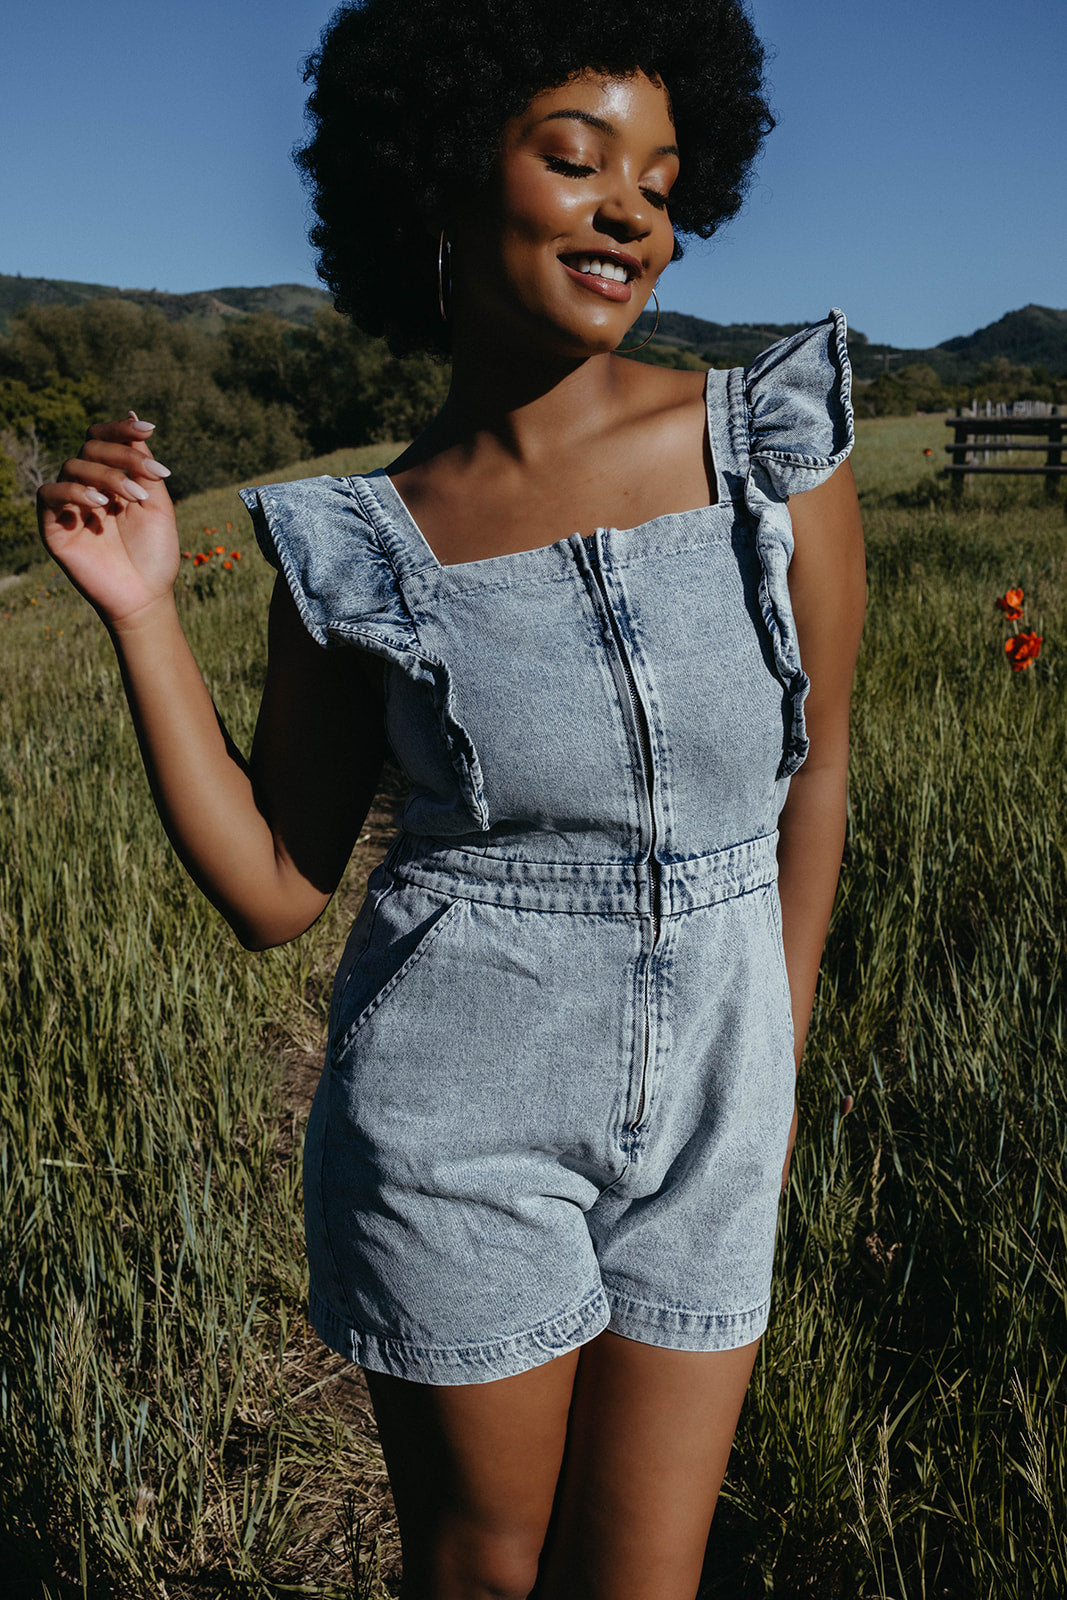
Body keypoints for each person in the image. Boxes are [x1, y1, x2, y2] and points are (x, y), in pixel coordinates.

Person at [37, 0, 866, 1593]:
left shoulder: (771, 448)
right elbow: (276, 884)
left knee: (643, 1580)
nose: (633, 206)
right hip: (454, 1102)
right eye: (577, 157)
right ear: (438, 176)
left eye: (664, 179)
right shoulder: (360, 544)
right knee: (481, 1571)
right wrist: (143, 615)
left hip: (717, 1081)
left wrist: (776, 1061)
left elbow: (814, 777)